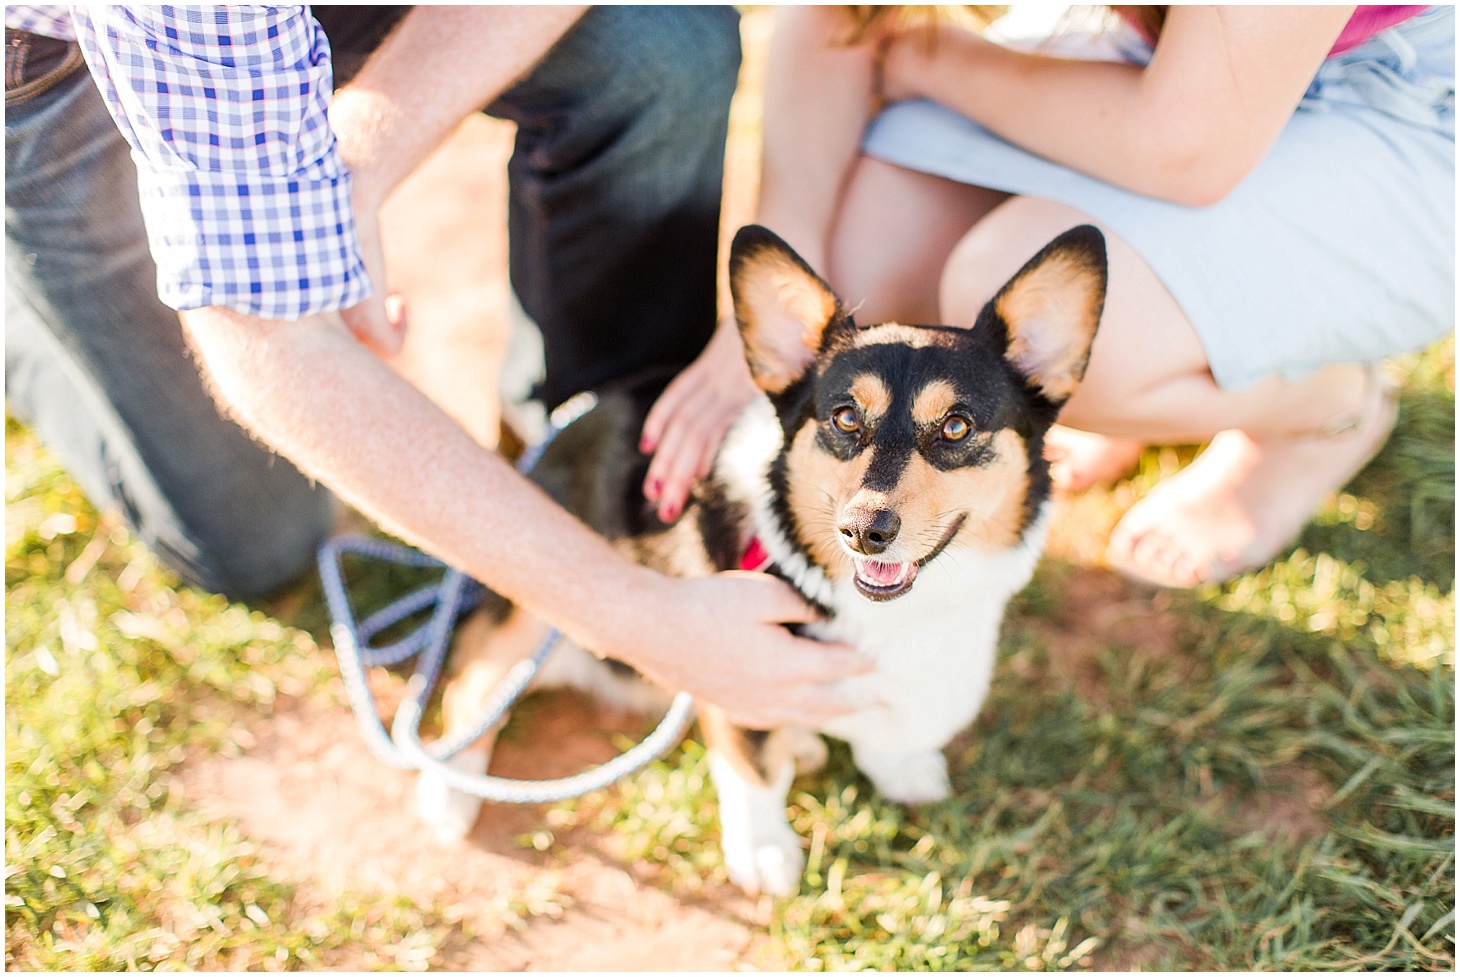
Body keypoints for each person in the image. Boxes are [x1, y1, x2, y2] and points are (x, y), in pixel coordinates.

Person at [5, 5, 873, 731]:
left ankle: (580, 460)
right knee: (257, 542)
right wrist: (640, 619)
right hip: (57, 67)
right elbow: (268, 344)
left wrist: (352, 167)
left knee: (660, 43)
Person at [645, 4, 1454, 589]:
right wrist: (755, 329)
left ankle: (1325, 408)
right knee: (862, 264)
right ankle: (1175, 368)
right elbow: (843, 16)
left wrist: (927, 55)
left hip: (1399, 98)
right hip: (1164, 55)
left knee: (1026, 312)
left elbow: (1187, 146)